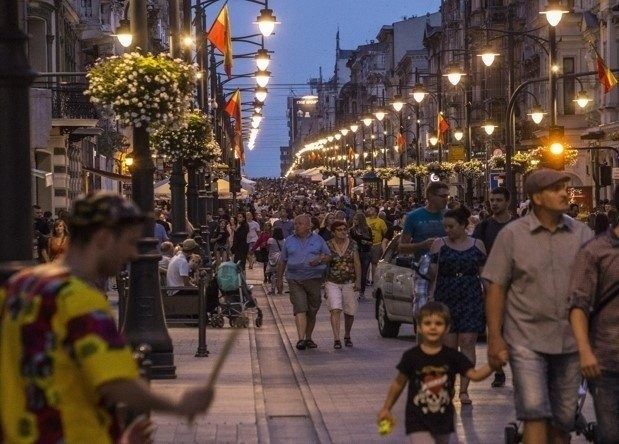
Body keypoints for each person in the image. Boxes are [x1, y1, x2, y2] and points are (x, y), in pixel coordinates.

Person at [0, 192, 214, 443]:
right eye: (129, 242)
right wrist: (179, 404)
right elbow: (116, 382)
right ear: (103, 238)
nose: (133, 253)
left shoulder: (19, 286)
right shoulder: (80, 300)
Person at [482, 169, 593, 443]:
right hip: (526, 341)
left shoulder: (582, 234)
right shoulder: (512, 236)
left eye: (565, 188)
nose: (565, 194)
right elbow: (495, 286)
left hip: (569, 343)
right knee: (534, 415)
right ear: (537, 198)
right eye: (557, 189)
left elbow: (594, 288)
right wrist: (495, 338)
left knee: (563, 421)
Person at [378, 302, 493, 443]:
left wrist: (492, 365)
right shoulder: (411, 356)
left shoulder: (453, 357)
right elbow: (398, 383)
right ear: (419, 327)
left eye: (438, 323)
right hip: (418, 421)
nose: (433, 327)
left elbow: (474, 375)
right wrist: (387, 408)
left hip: (444, 421)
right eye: (427, 323)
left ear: (447, 328)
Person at [567, 185, 619, 444]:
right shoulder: (595, 252)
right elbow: (578, 304)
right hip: (607, 359)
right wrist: (585, 351)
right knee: (610, 435)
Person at [427, 206, 486, 405]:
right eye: (445, 227)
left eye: (451, 226)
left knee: (468, 343)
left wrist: (491, 298)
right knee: (449, 346)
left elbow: (483, 275)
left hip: (470, 295)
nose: (448, 230)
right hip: (446, 296)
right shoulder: (439, 244)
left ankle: (464, 390)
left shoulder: (478, 245)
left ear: (463, 226)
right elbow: (432, 275)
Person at [472, 186, 515, 388]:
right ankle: (498, 372)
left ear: (507, 202)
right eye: (492, 200)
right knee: (495, 331)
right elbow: (477, 257)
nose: (495, 203)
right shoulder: (483, 228)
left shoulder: (518, 226)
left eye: (499, 200)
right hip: (492, 285)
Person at [276, 214, 331, 350]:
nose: (296, 226)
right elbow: (282, 261)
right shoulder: (289, 240)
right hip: (295, 279)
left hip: (314, 279)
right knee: (300, 307)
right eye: (295, 224)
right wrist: (279, 279)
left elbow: (329, 256)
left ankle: (308, 338)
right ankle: (301, 339)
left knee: (312, 310)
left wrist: (319, 260)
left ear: (308, 226)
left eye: (300, 224)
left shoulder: (318, 240)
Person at [399, 182, 449, 329]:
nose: (446, 199)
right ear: (430, 196)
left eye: (447, 196)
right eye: (442, 196)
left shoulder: (450, 215)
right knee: (421, 311)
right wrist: (421, 245)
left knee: (444, 310)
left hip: (447, 268)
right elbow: (402, 247)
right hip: (422, 270)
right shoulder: (414, 217)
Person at [325, 220, 361, 349]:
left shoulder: (353, 244)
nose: (342, 232)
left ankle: (347, 335)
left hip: (349, 281)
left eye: (344, 229)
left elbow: (356, 262)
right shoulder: (328, 245)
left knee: (349, 312)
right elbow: (326, 263)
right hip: (332, 281)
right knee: (335, 309)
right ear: (333, 232)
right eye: (339, 229)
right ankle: (336, 339)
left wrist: (358, 281)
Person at [349, 211, 373, 299]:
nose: (354, 221)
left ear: (361, 220)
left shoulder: (367, 229)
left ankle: (361, 292)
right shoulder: (352, 230)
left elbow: (371, 242)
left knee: (363, 273)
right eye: (354, 219)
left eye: (356, 219)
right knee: (354, 272)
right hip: (356, 253)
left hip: (366, 253)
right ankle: (354, 290)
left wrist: (365, 241)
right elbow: (350, 242)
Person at [366, 206, 387, 283]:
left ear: (375, 212)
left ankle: (374, 280)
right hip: (367, 245)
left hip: (377, 244)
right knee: (366, 263)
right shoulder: (366, 220)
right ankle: (367, 279)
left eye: (371, 209)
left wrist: (383, 244)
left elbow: (385, 233)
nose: (369, 210)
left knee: (375, 263)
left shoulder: (381, 221)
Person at [265, 227, 284, 294]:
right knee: (280, 275)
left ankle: (272, 289)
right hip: (281, 259)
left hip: (272, 259)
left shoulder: (270, 240)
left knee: (273, 274)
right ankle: (280, 290)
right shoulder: (284, 240)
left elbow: (267, 248)